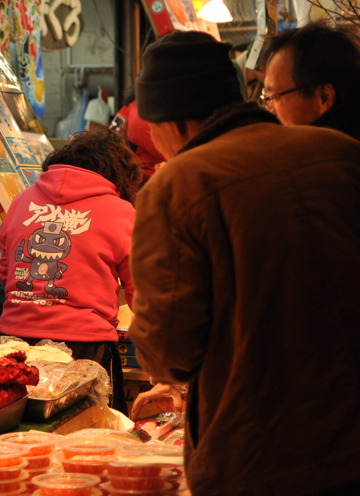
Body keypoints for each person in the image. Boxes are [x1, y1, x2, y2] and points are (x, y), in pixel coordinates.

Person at [128, 31, 360, 496]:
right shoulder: (343, 154)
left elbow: (169, 352)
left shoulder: (177, 185)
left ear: (171, 123)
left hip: (261, 461)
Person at [0, 130, 140, 413]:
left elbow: (6, 268)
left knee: (20, 429)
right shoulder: (122, 212)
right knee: (88, 434)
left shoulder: (22, 201)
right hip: (86, 348)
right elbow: (142, 292)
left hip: (13, 342)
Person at [260, 21, 360, 140]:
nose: (270, 110)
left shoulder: (330, 155)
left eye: (275, 96)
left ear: (324, 97)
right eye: (267, 98)